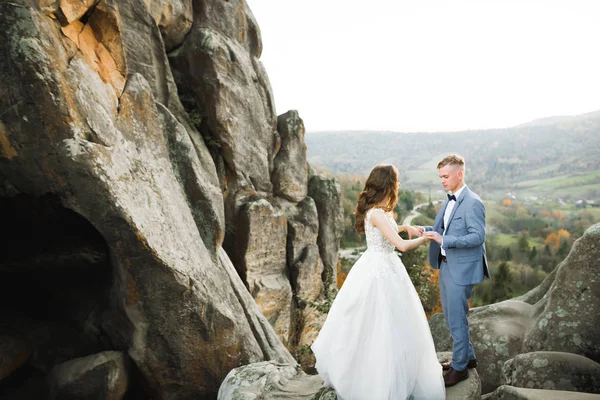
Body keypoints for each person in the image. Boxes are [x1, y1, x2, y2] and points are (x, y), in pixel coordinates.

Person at [311, 164, 445, 400]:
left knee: (387, 323)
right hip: (381, 270)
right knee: (380, 323)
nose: (399, 185)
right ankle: (378, 380)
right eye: (397, 180)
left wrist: (404, 227)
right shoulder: (377, 213)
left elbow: (389, 231)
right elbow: (401, 246)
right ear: (388, 184)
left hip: (382, 266)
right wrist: (425, 239)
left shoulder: (379, 212)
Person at [419, 154, 491, 387]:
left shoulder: (472, 202)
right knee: (451, 316)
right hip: (446, 265)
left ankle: (459, 368)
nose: (442, 180)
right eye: (440, 176)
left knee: (457, 318)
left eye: (446, 176)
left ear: (459, 174)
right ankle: (468, 358)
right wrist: (423, 230)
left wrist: (444, 239)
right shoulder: (449, 199)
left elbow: (478, 236)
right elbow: (441, 229)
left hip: (461, 269)